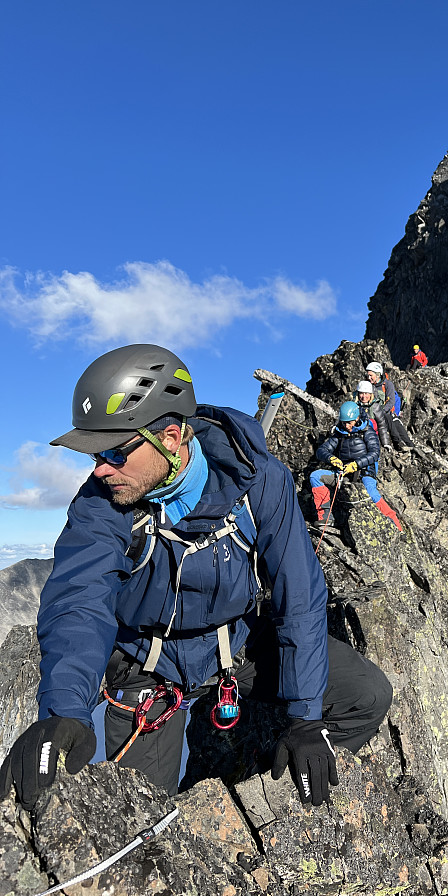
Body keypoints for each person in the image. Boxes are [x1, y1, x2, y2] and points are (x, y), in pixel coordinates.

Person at [0, 344, 392, 810]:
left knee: (366, 696)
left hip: (237, 645)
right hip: (149, 671)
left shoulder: (258, 481)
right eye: (93, 455)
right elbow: (80, 598)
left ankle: (267, 806)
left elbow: (299, 594)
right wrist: (63, 713)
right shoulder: (101, 503)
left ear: (170, 437)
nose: (100, 469)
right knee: (140, 818)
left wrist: (305, 718)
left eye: (113, 451)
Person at [311, 401, 403, 531]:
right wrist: (331, 458)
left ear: (357, 418)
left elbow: (375, 453)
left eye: (350, 422)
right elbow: (321, 451)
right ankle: (325, 516)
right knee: (315, 476)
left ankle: (394, 523)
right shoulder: (339, 433)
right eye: (344, 422)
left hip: (364, 472)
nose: (347, 426)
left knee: (371, 492)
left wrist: (356, 465)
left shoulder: (367, 431)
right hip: (343, 473)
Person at [365, 361, 415, 453]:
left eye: (371, 375)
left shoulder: (387, 385)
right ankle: (398, 443)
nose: (369, 378)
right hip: (374, 414)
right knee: (389, 419)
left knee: (397, 424)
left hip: (386, 412)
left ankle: (411, 447)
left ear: (378, 374)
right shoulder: (367, 386)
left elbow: (391, 401)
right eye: (368, 375)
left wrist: (383, 410)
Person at [352, 379, 392, 449]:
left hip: (372, 439)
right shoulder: (353, 406)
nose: (364, 396)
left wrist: (385, 443)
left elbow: (381, 426)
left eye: (366, 393)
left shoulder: (375, 407)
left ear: (371, 394)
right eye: (361, 393)